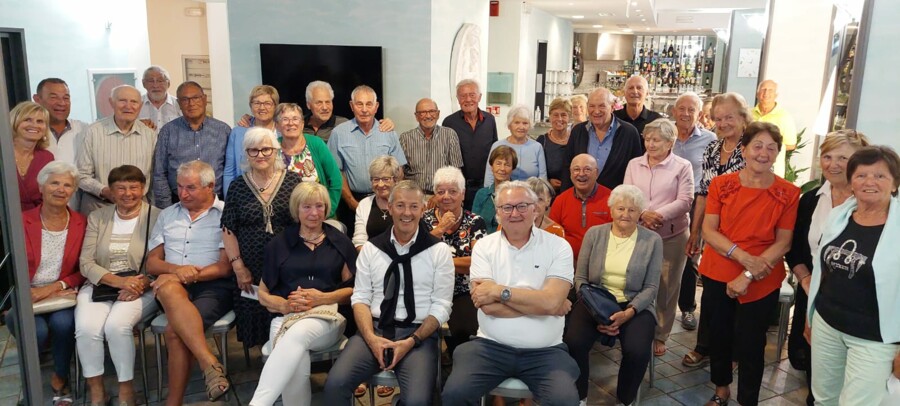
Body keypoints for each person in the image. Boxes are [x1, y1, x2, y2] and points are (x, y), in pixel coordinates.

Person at [442, 180, 579, 406]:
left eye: (522, 206)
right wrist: (542, 304)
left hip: (545, 351)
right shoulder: (485, 247)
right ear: (497, 212)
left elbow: (552, 301)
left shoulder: (558, 246)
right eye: (507, 207)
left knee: (564, 400)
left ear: (535, 208)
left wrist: (499, 291)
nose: (514, 213)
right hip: (490, 347)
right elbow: (485, 305)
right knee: (454, 395)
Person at [323, 181, 454, 405]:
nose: (407, 213)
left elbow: (442, 305)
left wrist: (412, 340)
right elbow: (361, 298)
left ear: (423, 210)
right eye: (400, 205)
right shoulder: (372, 249)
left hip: (418, 335)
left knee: (417, 401)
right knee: (335, 385)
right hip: (374, 329)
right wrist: (372, 339)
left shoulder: (438, 251)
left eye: (414, 206)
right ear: (390, 208)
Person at [699, 122, 799, 406]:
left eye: (771, 148)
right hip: (719, 268)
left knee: (752, 344)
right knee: (718, 335)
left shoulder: (788, 193)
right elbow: (709, 230)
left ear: (778, 154)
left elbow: (784, 242)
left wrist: (749, 272)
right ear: (744, 150)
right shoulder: (722, 185)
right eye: (757, 145)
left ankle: (748, 400)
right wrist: (743, 258)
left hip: (762, 276)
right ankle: (721, 389)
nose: (763, 153)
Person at [806, 145, 900, 405]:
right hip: (827, 324)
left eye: (880, 176)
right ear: (852, 182)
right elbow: (823, 272)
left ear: (894, 183)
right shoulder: (840, 216)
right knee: (824, 398)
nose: (869, 181)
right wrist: (810, 316)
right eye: (861, 175)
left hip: (874, 338)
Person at [249, 182, 357, 406]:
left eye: (319, 206)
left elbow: (355, 291)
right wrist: (286, 306)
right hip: (284, 316)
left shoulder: (339, 242)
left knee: (297, 334)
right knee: (295, 365)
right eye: (307, 207)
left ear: (326, 209)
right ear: (296, 209)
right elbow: (263, 294)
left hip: (327, 317)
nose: (314, 213)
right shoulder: (279, 244)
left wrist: (322, 298)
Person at [784, 129, 869, 406]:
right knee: (817, 379)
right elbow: (795, 248)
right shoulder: (811, 199)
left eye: (842, 157)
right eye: (827, 156)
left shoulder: (871, 203)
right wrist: (806, 279)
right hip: (813, 300)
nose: (833, 164)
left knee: (854, 384)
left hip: (858, 309)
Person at [563, 184, 663, 406]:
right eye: (620, 209)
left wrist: (628, 313)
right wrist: (600, 314)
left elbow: (651, 287)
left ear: (640, 213)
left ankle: (625, 399)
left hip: (634, 304)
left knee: (637, 351)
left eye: (632, 210)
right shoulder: (595, 234)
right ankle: (580, 396)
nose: (625, 214)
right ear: (611, 210)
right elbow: (580, 279)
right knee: (573, 342)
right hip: (594, 301)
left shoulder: (652, 240)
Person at [146, 161, 234, 404]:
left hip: (213, 287)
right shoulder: (167, 214)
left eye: (191, 188)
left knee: (174, 332)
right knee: (168, 285)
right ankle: (210, 364)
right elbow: (152, 263)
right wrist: (177, 271)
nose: (183, 193)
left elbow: (225, 267)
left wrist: (187, 274)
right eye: (180, 187)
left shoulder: (227, 212)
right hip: (172, 287)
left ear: (210, 186)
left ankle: (173, 402)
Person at [75, 165, 160, 406]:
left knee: (116, 326)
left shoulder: (158, 216)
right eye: (120, 188)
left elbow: (162, 260)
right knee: (87, 328)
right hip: (102, 284)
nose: (127, 193)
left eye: (134, 187)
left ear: (143, 189)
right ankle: (97, 391)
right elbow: (86, 263)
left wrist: (139, 283)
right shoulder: (98, 217)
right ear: (111, 191)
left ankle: (126, 390)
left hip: (143, 287)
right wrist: (119, 281)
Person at [4, 162, 85, 406]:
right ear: (41, 187)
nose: (61, 189)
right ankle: (31, 383)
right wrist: (22, 291)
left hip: (60, 293)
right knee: (35, 331)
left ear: (73, 191)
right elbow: (7, 266)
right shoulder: (19, 221)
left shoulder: (82, 223)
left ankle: (60, 378)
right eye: (54, 182)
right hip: (27, 295)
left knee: (64, 323)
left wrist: (53, 288)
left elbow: (84, 269)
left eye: (67, 184)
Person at [682, 92, 751, 369]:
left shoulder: (753, 146)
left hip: (744, 231)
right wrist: (695, 231)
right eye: (718, 118)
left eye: (729, 117)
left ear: (743, 117)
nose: (722, 123)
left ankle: (732, 352)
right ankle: (705, 346)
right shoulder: (712, 148)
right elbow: (703, 193)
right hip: (713, 229)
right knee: (710, 291)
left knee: (736, 294)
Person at [222, 128, 301, 349]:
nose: (260, 155)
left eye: (266, 149)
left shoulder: (293, 181)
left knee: (289, 323)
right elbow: (228, 228)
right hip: (251, 269)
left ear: (276, 150)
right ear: (246, 154)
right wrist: (238, 267)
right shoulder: (237, 186)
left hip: (289, 265)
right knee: (258, 325)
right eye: (253, 150)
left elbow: (305, 222)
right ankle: (265, 369)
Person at [623, 118, 693, 356]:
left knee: (667, 285)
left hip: (671, 235)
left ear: (670, 142)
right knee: (635, 281)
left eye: (656, 140)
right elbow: (627, 193)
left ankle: (660, 334)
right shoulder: (634, 164)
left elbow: (685, 201)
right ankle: (633, 326)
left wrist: (657, 215)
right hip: (639, 231)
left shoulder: (682, 166)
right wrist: (643, 214)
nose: (650, 144)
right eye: (647, 139)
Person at [421, 166, 487, 358]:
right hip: (428, 289)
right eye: (441, 192)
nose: (446, 197)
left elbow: (477, 263)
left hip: (462, 290)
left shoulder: (475, 221)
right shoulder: (424, 221)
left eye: (453, 191)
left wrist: (438, 262)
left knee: (466, 330)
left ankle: (458, 367)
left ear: (463, 194)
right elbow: (416, 256)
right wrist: (439, 230)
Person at [328, 85, 408, 238]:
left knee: (387, 242)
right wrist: (352, 203)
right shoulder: (339, 133)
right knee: (355, 244)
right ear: (352, 106)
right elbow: (337, 172)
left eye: (369, 104)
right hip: (351, 202)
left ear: (376, 107)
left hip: (385, 201)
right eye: (359, 104)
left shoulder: (388, 132)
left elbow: (399, 171)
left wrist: (392, 200)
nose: (364, 109)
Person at [671, 92, 716, 331]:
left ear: (700, 115)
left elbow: (711, 179)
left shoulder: (710, 140)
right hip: (665, 203)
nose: (686, 114)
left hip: (695, 203)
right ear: (674, 111)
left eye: (692, 110)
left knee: (690, 255)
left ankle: (687, 308)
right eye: (682, 109)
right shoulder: (665, 135)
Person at [76, 85, 157, 214]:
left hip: (138, 209)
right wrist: (105, 191)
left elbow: (155, 177)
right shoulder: (93, 132)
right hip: (99, 207)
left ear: (140, 106)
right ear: (111, 102)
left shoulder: (150, 134)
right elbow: (81, 175)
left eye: (134, 102)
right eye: (122, 101)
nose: (128, 106)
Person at [152, 81, 231, 208]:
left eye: (195, 98)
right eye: (185, 99)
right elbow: (160, 173)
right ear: (179, 104)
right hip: (178, 204)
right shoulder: (168, 131)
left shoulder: (223, 130)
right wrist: (166, 209)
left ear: (204, 99)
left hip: (216, 205)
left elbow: (230, 171)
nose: (191, 103)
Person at [563, 87, 642, 190]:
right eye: (592, 106)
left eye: (602, 106)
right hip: (581, 199)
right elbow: (567, 166)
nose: (596, 111)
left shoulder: (629, 133)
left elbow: (637, 171)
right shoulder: (578, 131)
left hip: (616, 201)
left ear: (612, 107)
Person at [274, 102, 342, 218]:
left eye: (295, 119)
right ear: (277, 125)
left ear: (302, 123)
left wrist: (327, 212)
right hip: (282, 218)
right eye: (285, 119)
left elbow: (336, 180)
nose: (291, 123)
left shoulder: (316, 143)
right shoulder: (273, 147)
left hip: (318, 216)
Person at [442, 79, 498, 210]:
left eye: (472, 95)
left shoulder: (490, 120)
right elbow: (445, 157)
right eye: (463, 96)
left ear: (479, 97)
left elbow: (495, 152)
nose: (468, 99)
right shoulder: (449, 122)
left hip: (485, 186)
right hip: (460, 188)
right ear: (457, 99)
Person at [550, 154, 613, 261]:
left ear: (596, 173)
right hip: (566, 262)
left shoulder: (612, 199)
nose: (581, 174)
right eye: (576, 169)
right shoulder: (560, 200)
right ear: (570, 174)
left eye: (587, 169)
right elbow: (552, 236)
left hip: (602, 262)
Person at [400, 98, 464, 195]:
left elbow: (455, 172)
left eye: (432, 111)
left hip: (442, 196)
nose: (428, 115)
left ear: (438, 114)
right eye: (423, 112)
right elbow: (400, 173)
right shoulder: (405, 138)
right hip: (413, 195)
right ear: (416, 116)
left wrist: (440, 194)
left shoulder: (450, 135)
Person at [224, 85, 280, 195]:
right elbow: (229, 172)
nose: (262, 108)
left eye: (267, 103)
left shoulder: (283, 132)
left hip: (278, 192)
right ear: (250, 106)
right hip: (244, 194)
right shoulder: (237, 133)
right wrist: (229, 200)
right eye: (257, 103)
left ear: (275, 106)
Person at [483, 105, 546, 186]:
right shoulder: (497, 146)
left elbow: (543, 179)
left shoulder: (537, 147)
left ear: (530, 126)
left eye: (525, 123)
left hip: (531, 196)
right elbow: (489, 177)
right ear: (509, 125)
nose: (521, 127)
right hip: (503, 195)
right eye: (516, 122)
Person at [10, 101, 55, 210]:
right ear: (15, 122)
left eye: (40, 121)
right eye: (27, 120)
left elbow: (50, 196)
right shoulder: (3, 155)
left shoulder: (47, 158)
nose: (34, 125)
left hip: (36, 220)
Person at [353, 156, 404, 249]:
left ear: (395, 180)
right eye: (376, 179)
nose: (380, 184)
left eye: (385, 179)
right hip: (371, 258)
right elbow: (359, 241)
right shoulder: (364, 204)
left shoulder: (406, 203)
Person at [32, 78, 86, 165]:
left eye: (66, 98)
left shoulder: (85, 130)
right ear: (37, 99)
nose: (62, 103)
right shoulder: (30, 132)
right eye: (53, 97)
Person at [752, 80, 797, 177]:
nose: (766, 93)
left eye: (770, 90)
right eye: (763, 90)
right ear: (757, 94)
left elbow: (791, 145)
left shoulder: (784, 117)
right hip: (749, 169)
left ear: (776, 95)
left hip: (773, 171)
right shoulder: (748, 114)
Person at [472, 145, 517, 233]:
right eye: (498, 163)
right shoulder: (481, 194)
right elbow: (474, 225)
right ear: (491, 167)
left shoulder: (518, 195)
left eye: (507, 165)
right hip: (483, 242)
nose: (502, 169)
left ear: (513, 169)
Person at [536, 98, 572, 193]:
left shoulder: (575, 140)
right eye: (555, 115)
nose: (559, 119)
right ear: (550, 117)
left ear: (569, 117)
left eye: (563, 115)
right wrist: (547, 182)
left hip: (572, 193)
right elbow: (535, 170)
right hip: (548, 194)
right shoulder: (542, 141)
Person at [614, 75, 663, 140]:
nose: (635, 91)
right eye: (630, 88)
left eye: (639, 88)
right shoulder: (613, 118)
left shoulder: (657, 121)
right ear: (624, 92)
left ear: (647, 93)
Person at [138, 66, 180, 130]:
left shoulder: (179, 105)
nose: (155, 85)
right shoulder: (135, 105)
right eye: (151, 81)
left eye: (160, 81)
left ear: (168, 83)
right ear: (144, 84)